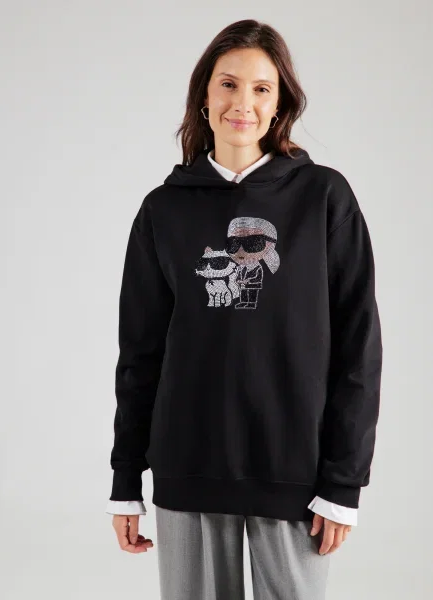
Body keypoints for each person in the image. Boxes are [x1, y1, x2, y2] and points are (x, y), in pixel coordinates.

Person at [105, 18, 383, 600]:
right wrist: (126, 478)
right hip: (187, 468)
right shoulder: (163, 210)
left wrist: (343, 482)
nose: (243, 103)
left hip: (296, 475)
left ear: (280, 104)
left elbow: (358, 347)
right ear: (204, 96)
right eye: (228, 84)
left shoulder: (324, 197)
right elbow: (140, 354)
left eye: (261, 88)